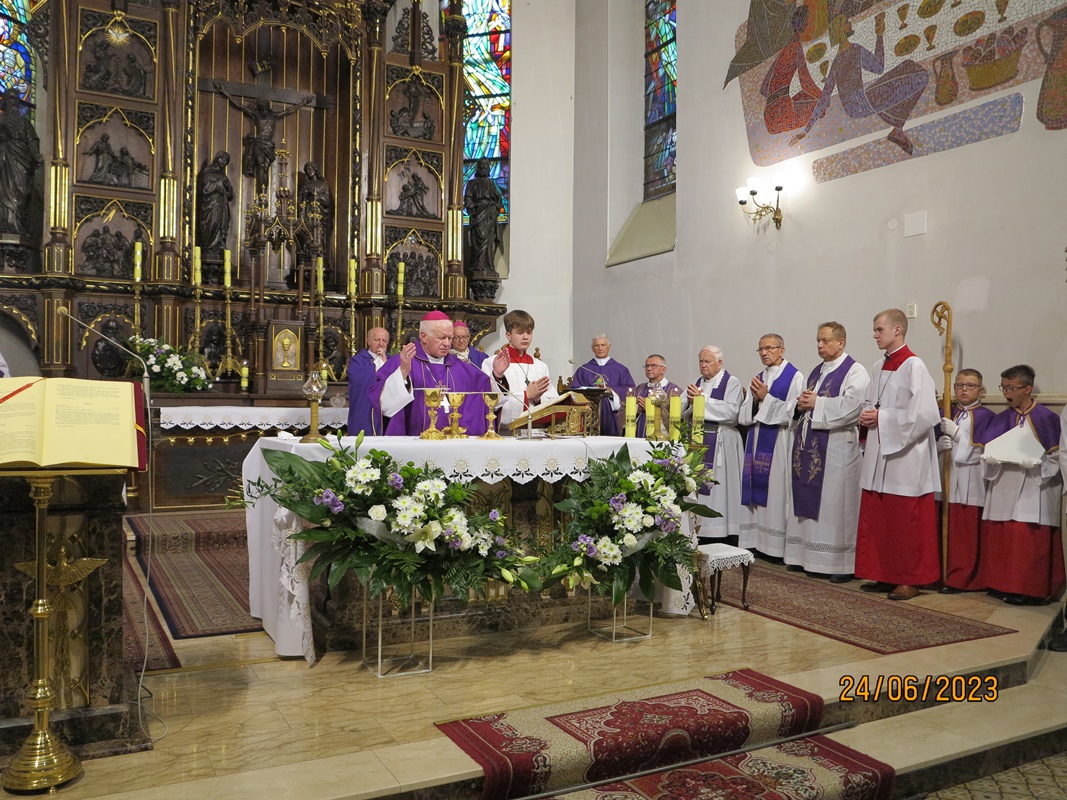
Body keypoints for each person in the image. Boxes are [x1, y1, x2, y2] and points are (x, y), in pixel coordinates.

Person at [856, 308, 941, 600]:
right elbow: (870, 401)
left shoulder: (915, 366)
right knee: (881, 517)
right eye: (875, 330)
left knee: (906, 520)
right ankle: (883, 573)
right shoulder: (878, 365)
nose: (875, 335)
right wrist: (867, 414)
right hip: (879, 453)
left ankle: (909, 578)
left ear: (898, 330)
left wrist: (880, 418)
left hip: (906, 457)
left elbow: (925, 414)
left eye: (879, 329)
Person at [784, 322, 869, 581]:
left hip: (837, 448)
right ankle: (805, 556)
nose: (820, 345)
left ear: (841, 342)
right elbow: (803, 403)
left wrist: (817, 403)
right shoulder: (816, 371)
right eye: (818, 341)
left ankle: (839, 564)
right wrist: (800, 405)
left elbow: (853, 407)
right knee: (808, 498)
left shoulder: (855, 371)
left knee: (835, 505)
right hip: (809, 445)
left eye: (825, 341)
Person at [976, 365, 1064, 604]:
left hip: (1033, 488)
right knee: (1004, 536)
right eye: (1003, 387)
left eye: (1011, 388)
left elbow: (1058, 455)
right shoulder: (1001, 419)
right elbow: (988, 450)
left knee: (1027, 539)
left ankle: (1032, 590)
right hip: (1004, 484)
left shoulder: (1047, 418)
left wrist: (1038, 465)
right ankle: (1002, 584)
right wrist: (990, 460)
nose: (1006, 393)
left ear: (1027, 389)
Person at [789, 12, 929, 155]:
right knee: (922, 76)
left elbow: (824, 98)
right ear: (841, 29)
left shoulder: (837, 61)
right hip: (863, 104)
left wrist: (806, 131)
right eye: (846, 22)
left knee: (908, 65)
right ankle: (897, 127)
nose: (850, 23)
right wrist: (879, 36)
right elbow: (879, 68)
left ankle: (896, 128)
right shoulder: (854, 50)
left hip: (857, 104)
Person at [372, 311, 502, 436]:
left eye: (450, 338)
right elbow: (384, 405)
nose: (447, 344)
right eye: (441, 338)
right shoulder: (401, 362)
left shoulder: (462, 367)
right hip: (415, 443)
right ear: (424, 337)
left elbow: (485, 390)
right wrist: (403, 372)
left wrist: (497, 375)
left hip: (454, 444)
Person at [738, 333, 803, 557]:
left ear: (781, 350)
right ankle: (756, 541)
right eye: (761, 349)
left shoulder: (795, 377)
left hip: (779, 440)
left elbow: (792, 413)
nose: (764, 353)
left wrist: (766, 397)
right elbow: (744, 415)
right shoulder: (758, 377)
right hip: (756, 438)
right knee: (755, 485)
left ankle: (774, 546)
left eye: (769, 348)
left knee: (776, 490)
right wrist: (756, 401)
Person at [937, 369, 996, 592]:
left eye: (970, 385)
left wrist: (957, 435)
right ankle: (942, 574)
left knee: (965, 534)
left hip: (970, 481)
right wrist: (937, 446)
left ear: (980, 390)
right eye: (959, 385)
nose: (964, 389)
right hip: (945, 476)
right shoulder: (946, 412)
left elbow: (982, 451)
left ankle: (962, 578)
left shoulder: (987, 417)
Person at [685, 346, 745, 542]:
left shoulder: (732, 382)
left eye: (707, 361)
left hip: (722, 440)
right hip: (698, 439)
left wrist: (701, 400)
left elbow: (732, 412)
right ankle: (701, 529)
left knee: (721, 489)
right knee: (699, 486)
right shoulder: (696, 383)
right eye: (701, 361)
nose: (703, 365)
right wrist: (690, 402)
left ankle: (722, 530)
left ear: (719, 363)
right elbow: (685, 411)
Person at [214, 82, 314, 188]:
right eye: (261, 104)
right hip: (259, 143)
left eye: (264, 104)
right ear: (258, 106)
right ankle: (262, 192)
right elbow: (240, 105)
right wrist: (224, 92)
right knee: (261, 166)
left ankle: (263, 192)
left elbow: (288, 111)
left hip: (269, 145)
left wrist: (303, 103)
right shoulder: (256, 114)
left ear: (267, 105)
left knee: (265, 168)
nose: (263, 106)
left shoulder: (273, 115)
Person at [482, 309, 559, 429]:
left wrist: (538, 399)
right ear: (508, 335)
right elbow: (490, 403)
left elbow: (553, 401)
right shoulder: (491, 363)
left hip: (537, 431)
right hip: (506, 433)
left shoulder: (540, 366)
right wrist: (526, 395)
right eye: (520, 332)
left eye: (529, 332)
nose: (525, 337)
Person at [760, 4, 822, 134]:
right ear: (802, 24)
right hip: (781, 116)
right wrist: (823, 96)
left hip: (769, 116)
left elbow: (764, 88)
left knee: (803, 96)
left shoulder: (787, 48)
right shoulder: (796, 47)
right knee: (819, 106)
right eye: (807, 21)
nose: (809, 24)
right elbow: (806, 83)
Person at [0, 87, 42, 236]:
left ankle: (18, 227)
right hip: (4, 160)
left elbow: (32, 141)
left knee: (22, 195)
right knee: (3, 193)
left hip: (22, 162)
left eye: (16, 100)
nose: (14, 103)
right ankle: (5, 225)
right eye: (11, 99)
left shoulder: (25, 123)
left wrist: (36, 155)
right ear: (5, 102)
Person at [574, 335, 635, 436]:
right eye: (597, 345)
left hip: (613, 415)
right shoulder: (583, 369)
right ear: (592, 348)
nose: (600, 348)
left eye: (603, 345)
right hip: (589, 414)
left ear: (609, 347)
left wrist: (612, 391)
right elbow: (574, 390)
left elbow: (629, 389)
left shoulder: (620, 369)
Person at [463, 158, 503, 277]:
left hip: (489, 214)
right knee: (478, 243)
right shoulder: (471, 183)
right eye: (482, 165)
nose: (484, 167)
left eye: (486, 165)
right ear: (478, 167)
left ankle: (488, 264)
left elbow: (498, 197)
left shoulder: (491, 183)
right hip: (477, 213)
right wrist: (470, 205)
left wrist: (496, 204)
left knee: (489, 241)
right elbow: (468, 197)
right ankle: (477, 265)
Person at [347, 327, 390, 436]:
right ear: (368, 341)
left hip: (387, 412)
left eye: (384, 341)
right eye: (377, 340)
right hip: (364, 410)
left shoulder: (391, 360)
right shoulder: (357, 361)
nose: (381, 344)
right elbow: (359, 379)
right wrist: (382, 366)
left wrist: (386, 363)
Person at [632, 353, 683, 438]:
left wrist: (651, 409)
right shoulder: (639, 389)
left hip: (662, 439)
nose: (649, 369)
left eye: (653, 365)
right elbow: (624, 413)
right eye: (647, 366)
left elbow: (678, 418)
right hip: (639, 437)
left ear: (663, 370)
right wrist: (637, 409)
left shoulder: (674, 391)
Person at [196, 151, 234, 259]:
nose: (223, 162)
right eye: (222, 159)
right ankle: (208, 247)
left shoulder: (223, 175)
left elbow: (230, 194)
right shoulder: (207, 172)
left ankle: (218, 247)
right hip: (211, 205)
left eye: (226, 161)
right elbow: (205, 188)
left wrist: (228, 188)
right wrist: (219, 184)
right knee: (212, 223)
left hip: (222, 205)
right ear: (217, 158)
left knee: (221, 224)